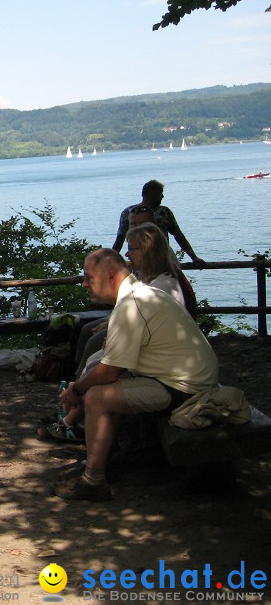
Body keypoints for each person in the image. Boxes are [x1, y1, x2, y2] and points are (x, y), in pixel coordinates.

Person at [53, 249, 219, 502]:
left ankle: (93, 481)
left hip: (184, 387)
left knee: (97, 397)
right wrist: (80, 385)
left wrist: (77, 389)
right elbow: (114, 365)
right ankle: (106, 462)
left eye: (87, 277)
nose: (84, 283)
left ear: (110, 275)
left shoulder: (131, 305)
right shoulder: (142, 294)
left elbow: (108, 372)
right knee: (105, 388)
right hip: (184, 378)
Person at [111, 180, 205, 265]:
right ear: (148, 193)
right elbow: (120, 239)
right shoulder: (128, 213)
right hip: (140, 260)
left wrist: (194, 257)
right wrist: (110, 260)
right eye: (160, 193)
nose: (162, 196)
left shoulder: (165, 212)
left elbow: (178, 236)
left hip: (163, 258)